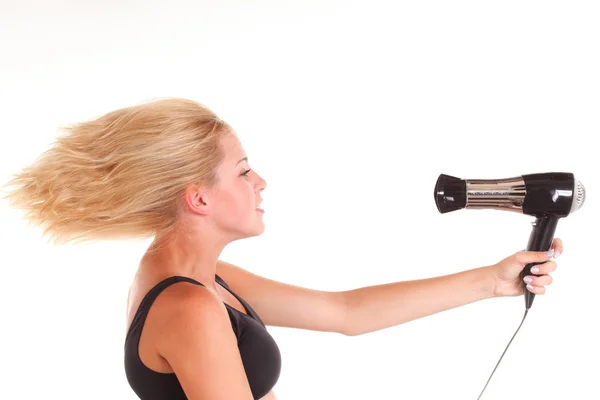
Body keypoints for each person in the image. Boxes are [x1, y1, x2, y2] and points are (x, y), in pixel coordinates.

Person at [0, 98, 563, 400]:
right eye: (243, 171)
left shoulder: (197, 277)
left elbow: (345, 313)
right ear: (198, 197)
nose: (261, 182)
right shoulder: (188, 307)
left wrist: (493, 280)